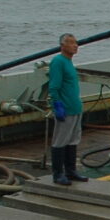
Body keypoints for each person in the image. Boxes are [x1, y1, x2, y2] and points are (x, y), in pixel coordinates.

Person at [47, 33, 88, 185]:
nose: (75, 45)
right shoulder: (58, 62)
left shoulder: (69, 62)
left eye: (76, 43)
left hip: (75, 107)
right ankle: (58, 173)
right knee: (60, 140)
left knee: (73, 140)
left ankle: (71, 171)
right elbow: (54, 86)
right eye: (71, 43)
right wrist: (57, 105)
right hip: (66, 109)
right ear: (62, 46)